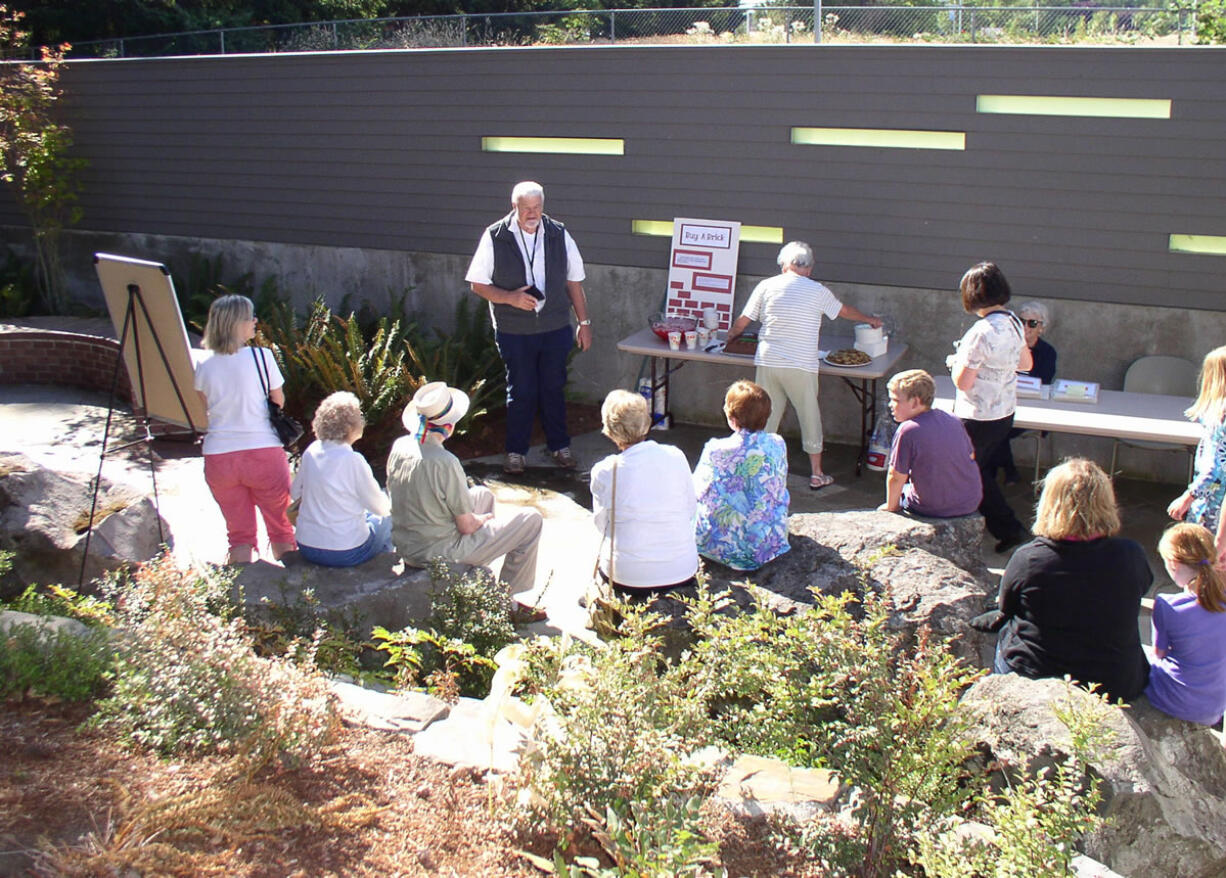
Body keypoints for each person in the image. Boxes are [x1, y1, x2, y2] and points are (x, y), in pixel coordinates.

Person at [724, 241, 882, 491]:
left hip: (768, 360)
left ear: (784, 264)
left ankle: (757, 472)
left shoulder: (766, 286)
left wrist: (730, 335)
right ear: (808, 268)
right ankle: (817, 474)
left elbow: (745, 319)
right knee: (809, 415)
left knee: (765, 415)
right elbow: (844, 311)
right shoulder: (816, 290)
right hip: (801, 363)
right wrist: (869, 319)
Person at [993, 459, 1151, 703]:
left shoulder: (1029, 558)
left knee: (1006, 634)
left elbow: (1006, 608)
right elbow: (1143, 587)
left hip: (1042, 681)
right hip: (1115, 685)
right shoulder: (1131, 553)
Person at [465, 180, 592, 475]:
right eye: (526, 208)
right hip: (514, 331)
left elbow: (574, 282)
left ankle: (560, 446)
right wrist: (510, 297)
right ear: (514, 207)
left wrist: (584, 323)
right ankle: (515, 452)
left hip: (554, 327)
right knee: (521, 391)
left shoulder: (559, 233)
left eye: (537, 207)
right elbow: (477, 284)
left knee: (553, 388)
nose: (532, 214)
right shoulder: (495, 235)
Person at [387, 381, 544, 617]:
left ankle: (476, 586)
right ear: (449, 426)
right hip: (437, 552)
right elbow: (467, 525)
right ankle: (506, 603)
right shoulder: (445, 461)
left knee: (482, 494)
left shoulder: (400, 446)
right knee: (530, 520)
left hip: (409, 545)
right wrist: (483, 520)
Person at [193, 294, 296, 565]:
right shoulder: (262, 357)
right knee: (281, 529)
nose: (255, 322)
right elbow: (278, 400)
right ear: (237, 323)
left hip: (219, 456)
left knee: (239, 536)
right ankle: (293, 598)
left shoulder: (203, 364)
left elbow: (205, 408)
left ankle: (242, 595)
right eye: (250, 317)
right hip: (263, 452)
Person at [948, 261, 1033, 554]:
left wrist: (956, 361)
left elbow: (962, 382)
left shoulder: (979, 332)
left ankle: (1005, 528)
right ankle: (1007, 528)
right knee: (979, 469)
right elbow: (1026, 364)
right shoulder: (1013, 322)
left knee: (968, 472)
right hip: (1004, 412)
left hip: (977, 416)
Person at [590, 390, 698, 594]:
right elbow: (690, 509)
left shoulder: (604, 471)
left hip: (626, 575)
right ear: (646, 424)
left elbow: (601, 525)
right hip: (682, 568)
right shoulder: (676, 456)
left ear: (609, 430)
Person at [693, 380, 790, 571]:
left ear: (731, 417)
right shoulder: (777, 443)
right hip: (767, 545)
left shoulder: (716, 449)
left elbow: (696, 489)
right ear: (767, 416)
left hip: (717, 545)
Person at [291, 391, 392, 567]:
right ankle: (381, 569)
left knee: (367, 516)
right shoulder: (353, 460)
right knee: (388, 519)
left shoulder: (312, 450)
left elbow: (295, 493)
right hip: (346, 551)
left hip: (306, 545)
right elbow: (381, 508)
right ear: (350, 426)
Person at [1144, 523, 1226, 727]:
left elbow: (1159, 653)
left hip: (1177, 702)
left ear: (1174, 564)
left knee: (1141, 656)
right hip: (1215, 708)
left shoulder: (1166, 605)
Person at [877, 369, 981, 518]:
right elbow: (970, 455)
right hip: (970, 502)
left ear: (915, 402)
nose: (890, 405)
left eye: (896, 400)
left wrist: (891, 507)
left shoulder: (908, 430)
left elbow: (896, 476)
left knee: (904, 491)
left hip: (933, 508)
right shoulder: (952, 419)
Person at [1167, 345, 1226, 563]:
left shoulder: (1220, 419)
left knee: (1208, 560)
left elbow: (1215, 470)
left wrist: (1188, 497)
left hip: (1213, 506)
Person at [992, 299, 1058, 485]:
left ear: (1041, 328)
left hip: (1030, 408)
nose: (1026, 327)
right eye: (1021, 321)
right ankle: (1005, 472)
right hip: (1003, 404)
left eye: (1032, 323)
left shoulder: (1047, 352)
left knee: (999, 432)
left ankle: (998, 473)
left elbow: (1043, 382)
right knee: (994, 427)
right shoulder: (1006, 346)